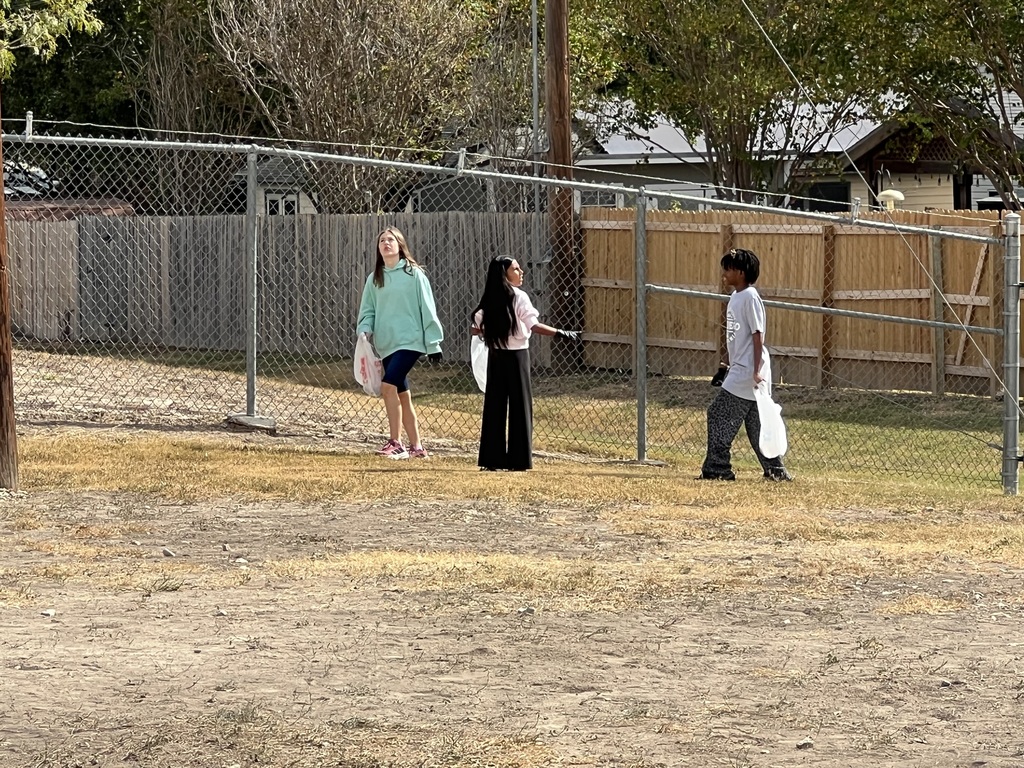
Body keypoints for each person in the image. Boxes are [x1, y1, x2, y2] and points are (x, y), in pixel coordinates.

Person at [471, 256, 580, 471]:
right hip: (517, 356)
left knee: (494, 406)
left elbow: (476, 327)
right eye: (516, 269)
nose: (521, 272)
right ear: (504, 274)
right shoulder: (519, 297)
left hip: (496, 356)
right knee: (520, 405)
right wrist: (561, 333)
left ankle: (492, 460)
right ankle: (519, 460)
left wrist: (492, 333)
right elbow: (534, 325)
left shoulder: (489, 298)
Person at [699, 248, 793, 482]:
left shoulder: (750, 297)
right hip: (740, 368)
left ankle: (718, 468)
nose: (724, 273)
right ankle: (776, 471)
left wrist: (756, 370)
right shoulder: (736, 296)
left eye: (728, 269)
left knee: (718, 414)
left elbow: (757, 334)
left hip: (748, 371)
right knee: (756, 424)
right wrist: (725, 365)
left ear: (740, 273)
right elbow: (734, 337)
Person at [357, 227, 444, 460]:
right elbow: (368, 311)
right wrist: (364, 331)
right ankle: (417, 447)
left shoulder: (414, 274)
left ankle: (396, 443)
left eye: (391, 240)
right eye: (382, 240)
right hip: (387, 345)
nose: (386, 243)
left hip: (410, 342)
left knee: (388, 387)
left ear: (400, 245)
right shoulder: (375, 278)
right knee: (402, 394)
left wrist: (433, 344)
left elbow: (428, 309)